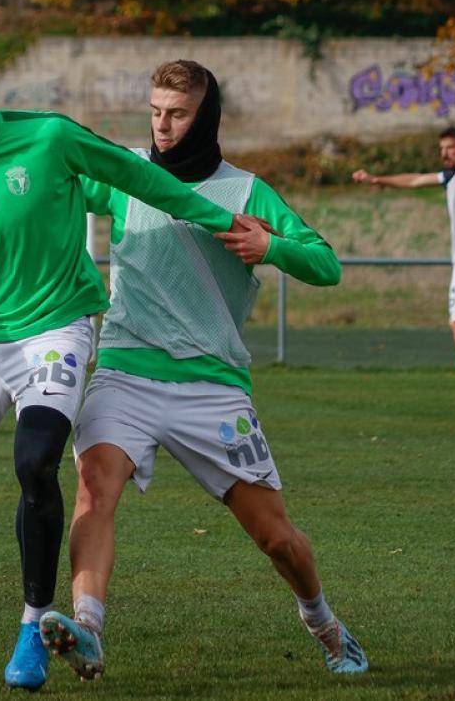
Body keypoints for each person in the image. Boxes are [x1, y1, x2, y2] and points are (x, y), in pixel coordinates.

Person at [0, 46, 255, 690]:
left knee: (35, 462)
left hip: (54, 331)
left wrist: (221, 218)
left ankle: (34, 628)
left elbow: (142, 178)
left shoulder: (50, 138)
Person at [37, 60, 367, 680]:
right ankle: (89, 627)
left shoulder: (247, 194)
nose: (162, 126)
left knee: (276, 539)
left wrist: (271, 247)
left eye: (178, 114)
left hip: (212, 387)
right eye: (156, 111)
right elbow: (59, 184)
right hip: (125, 369)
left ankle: (321, 618)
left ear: (205, 115)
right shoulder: (126, 174)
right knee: (94, 486)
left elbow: (327, 265)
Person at [352, 127, 455, 417]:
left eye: (451, 148)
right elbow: (416, 180)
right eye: (441, 148)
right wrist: (376, 179)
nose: (444, 153)